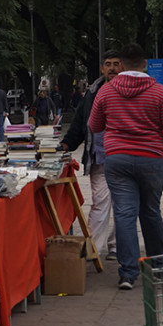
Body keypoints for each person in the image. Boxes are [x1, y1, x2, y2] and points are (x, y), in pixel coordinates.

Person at [88, 43, 163, 290]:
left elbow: (95, 125)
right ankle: (160, 266)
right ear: (144, 64)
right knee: (151, 211)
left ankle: (127, 273)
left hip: (117, 159)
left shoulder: (106, 92)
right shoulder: (160, 92)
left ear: (121, 65)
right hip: (151, 159)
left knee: (124, 214)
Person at [60, 50, 121, 261]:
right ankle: (94, 249)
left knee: (124, 205)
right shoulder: (92, 91)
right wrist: (67, 143)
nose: (112, 68)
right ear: (102, 68)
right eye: (108, 64)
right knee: (100, 203)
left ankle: (117, 246)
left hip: (124, 157)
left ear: (123, 67)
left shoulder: (129, 89)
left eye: (116, 63)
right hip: (99, 157)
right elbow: (80, 121)